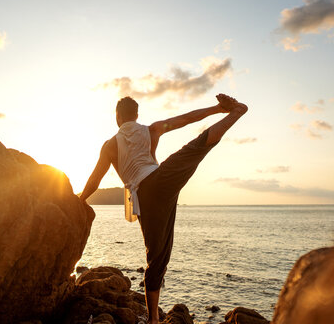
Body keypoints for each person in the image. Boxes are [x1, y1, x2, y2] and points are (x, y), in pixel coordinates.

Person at [79, 94, 248, 324]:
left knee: (156, 257)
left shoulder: (109, 145)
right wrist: (218, 109)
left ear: (117, 117)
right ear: (137, 115)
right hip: (163, 181)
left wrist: (80, 199)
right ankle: (236, 112)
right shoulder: (151, 129)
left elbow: (95, 180)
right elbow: (186, 118)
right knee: (196, 147)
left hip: (145, 197)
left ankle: (154, 319)